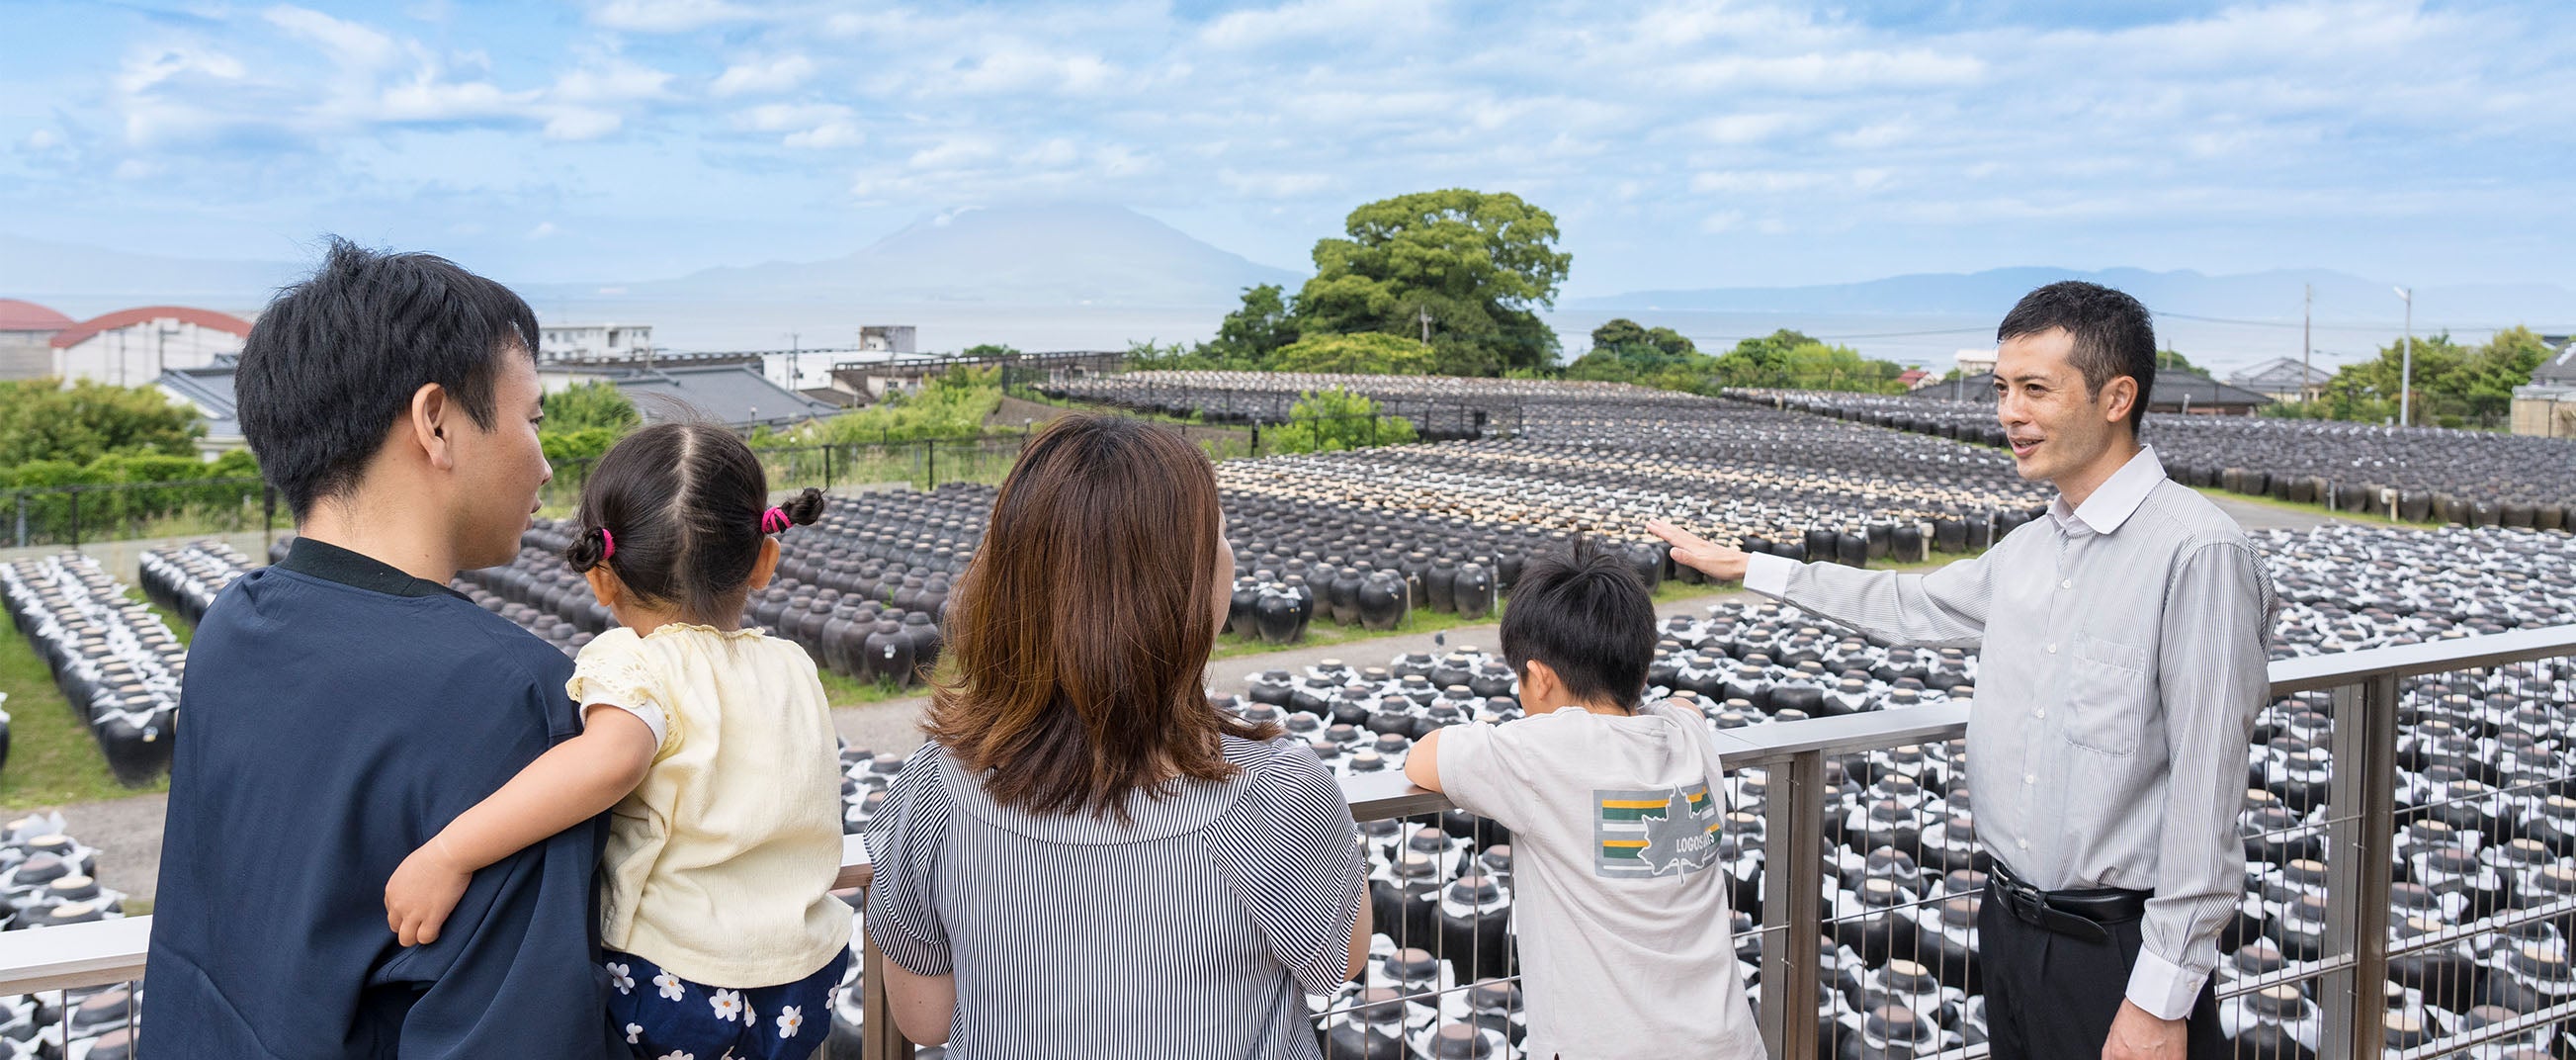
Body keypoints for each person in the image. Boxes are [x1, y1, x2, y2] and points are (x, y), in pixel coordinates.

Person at [1649, 281, 2275, 1060]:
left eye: (2036, 390)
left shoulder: (2197, 551)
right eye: (2003, 389)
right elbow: (1906, 605)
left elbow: (2206, 793)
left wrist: (2160, 997)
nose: (2010, 413)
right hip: (2010, 926)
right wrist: (1752, 567)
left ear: (2118, 397)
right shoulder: (2033, 548)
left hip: (2117, 948)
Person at [144, 239, 621, 1056]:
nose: (545, 463)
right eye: (532, 418)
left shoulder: (233, 624)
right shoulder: (512, 695)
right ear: (436, 422)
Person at [864, 413, 1371, 1059]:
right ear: (1180, 593)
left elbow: (924, 1018)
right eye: (1218, 536)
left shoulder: (937, 784)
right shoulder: (1274, 790)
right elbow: (1340, 960)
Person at [380, 423, 850, 1059]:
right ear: (765, 560)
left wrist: (449, 854)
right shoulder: (793, 665)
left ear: (602, 578)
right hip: (805, 977)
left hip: (684, 984)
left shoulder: (635, 664)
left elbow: (608, 762)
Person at [1402, 538, 1766, 1060]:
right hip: (1728, 1041)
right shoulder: (1688, 739)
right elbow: (1685, 705)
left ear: (1541, 679)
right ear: (1641, 669)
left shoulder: (1539, 753)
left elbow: (1423, 757)